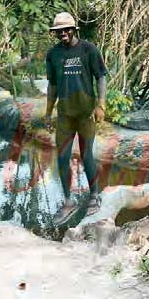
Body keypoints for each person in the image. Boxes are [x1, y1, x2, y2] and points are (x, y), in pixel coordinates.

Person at [44, 12, 107, 225]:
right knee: (62, 157)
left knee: (87, 155)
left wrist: (101, 105)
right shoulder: (53, 55)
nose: (63, 33)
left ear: (73, 30)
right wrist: (47, 112)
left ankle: (94, 195)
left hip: (86, 113)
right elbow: (52, 85)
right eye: (58, 31)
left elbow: (101, 77)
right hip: (65, 115)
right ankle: (69, 201)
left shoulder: (88, 50)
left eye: (66, 29)